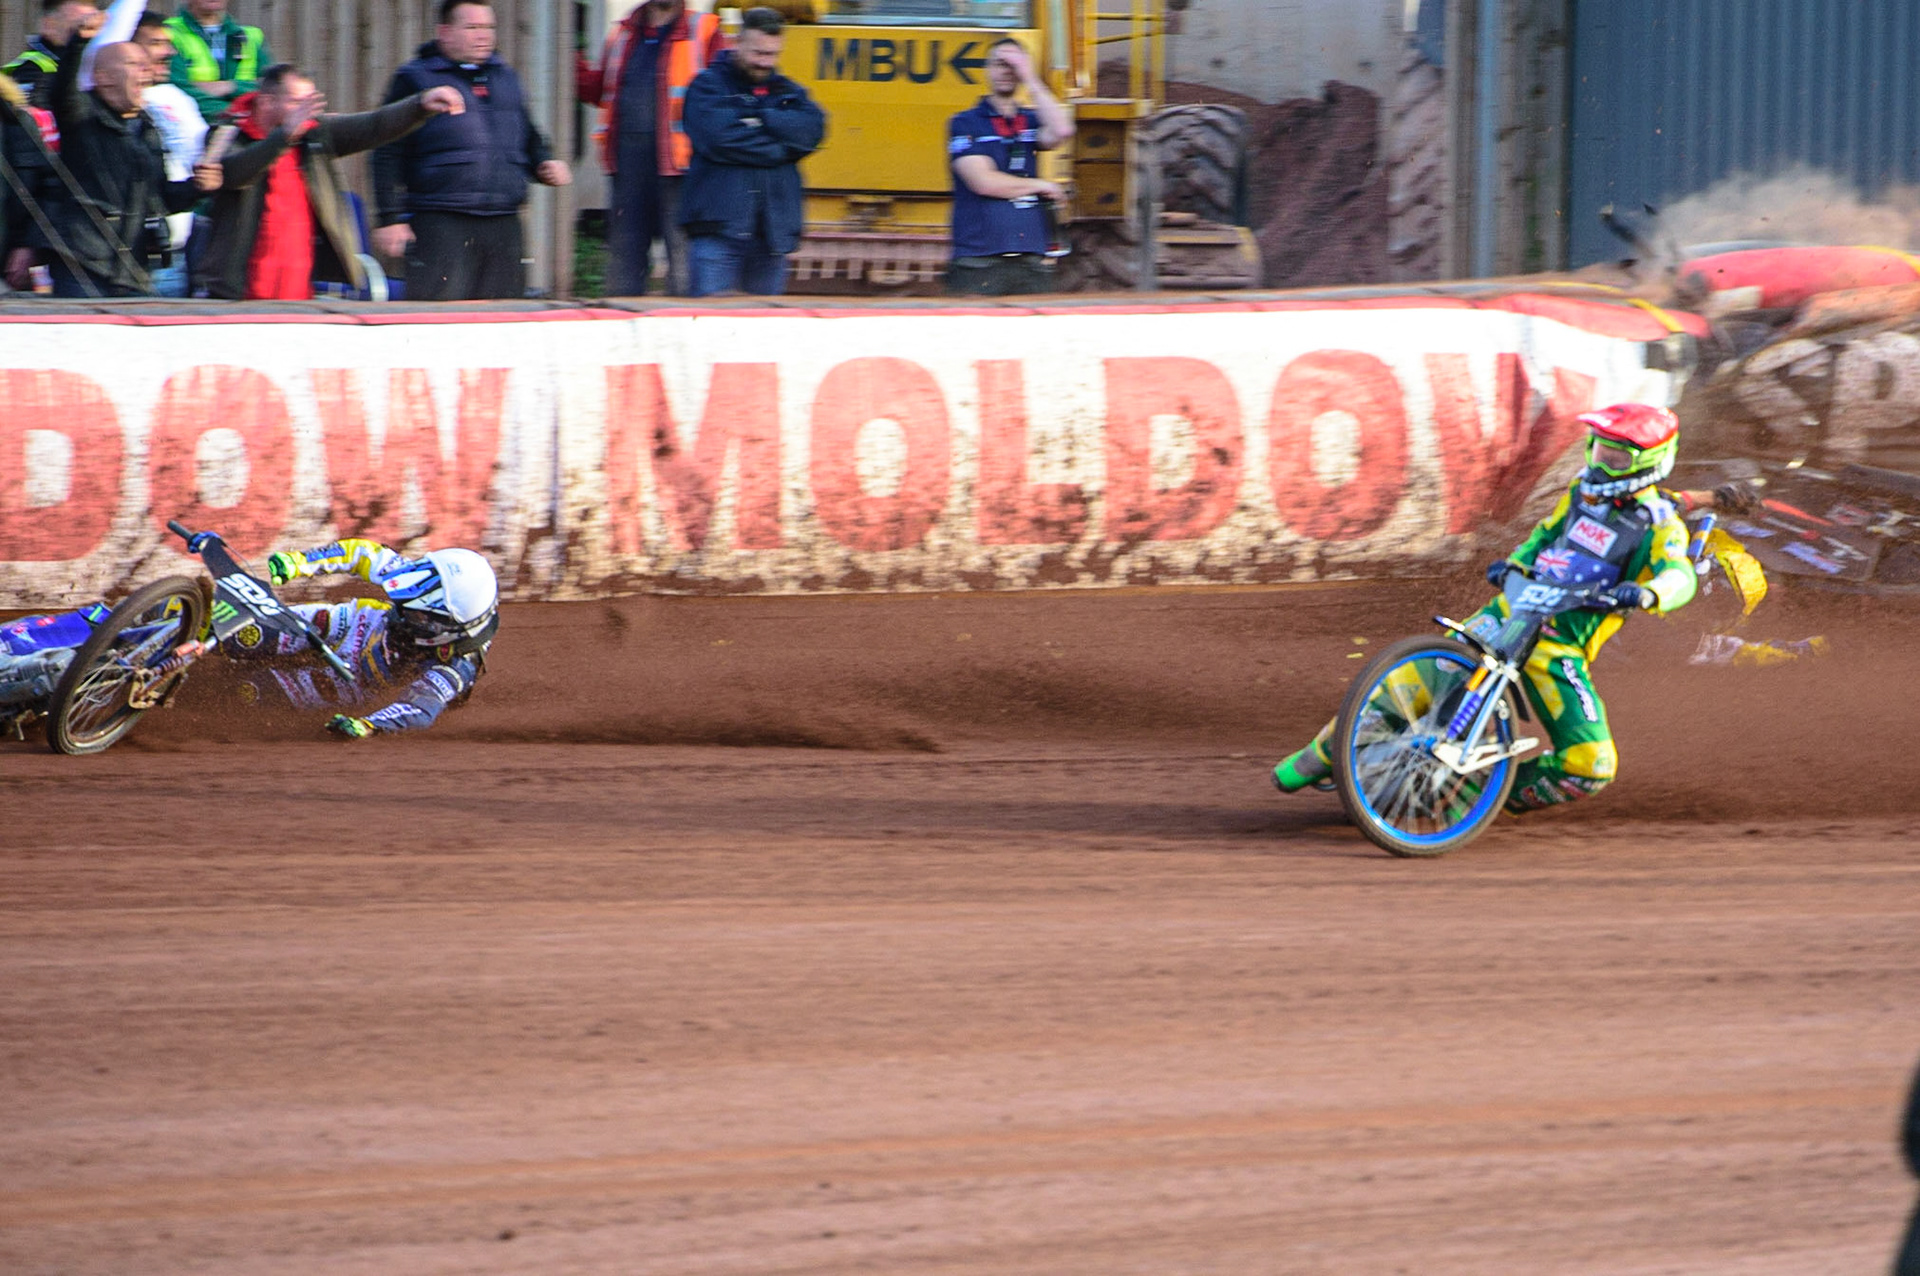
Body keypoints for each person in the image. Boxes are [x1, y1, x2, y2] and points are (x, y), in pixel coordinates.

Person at [1272, 403, 1699, 813]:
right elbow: (1545, 536)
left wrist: (1651, 593)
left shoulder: (1660, 524)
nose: (1601, 464)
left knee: (1592, 766)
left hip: (1557, 649)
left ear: (1650, 461)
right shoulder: (1581, 494)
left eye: (1616, 459)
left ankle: (1472, 798)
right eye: (1598, 450)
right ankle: (1312, 759)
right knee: (1410, 685)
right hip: (1509, 616)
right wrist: (1516, 562)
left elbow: (1680, 574)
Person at [196, 64, 463, 300]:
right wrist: (284, 136)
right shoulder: (227, 134)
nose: (305, 114)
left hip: (299, 296)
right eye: (296, 103)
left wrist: (420, 106)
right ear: (266, 102)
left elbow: (373, 125)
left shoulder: (312, 135)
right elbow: (233, 174)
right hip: (239, 297)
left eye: (309, 104)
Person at [371, 0, 570, 301]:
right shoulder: (415, 79)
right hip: (441, 222)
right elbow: (386, 150)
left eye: (489, 27)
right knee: (439, 321)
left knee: (504, 322)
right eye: (473, 27)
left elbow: (528, 135)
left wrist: (544, 161)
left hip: (503, 223)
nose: (484, 36)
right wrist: (390, 218)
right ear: (445, 32)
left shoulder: (506, 77)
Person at [239, 539, 500, 738]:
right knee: (247, 633)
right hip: (358, 624)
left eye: (418, 616)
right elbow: (361, 554)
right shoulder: (427, 580)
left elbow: (421, 708)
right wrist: (299, 562)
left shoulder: (458, 666)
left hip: (357, 683)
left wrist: (369, 724)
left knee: (248, 693)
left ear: (448, 629)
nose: (403, 614)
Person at [43, 34, 221, 296]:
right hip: (85, 266)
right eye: (133, 63)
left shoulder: (146, 128)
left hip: (134, 270)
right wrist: (78, 42)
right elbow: (62, 92)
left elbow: (161, 197)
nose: (146, 69)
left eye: (145, 64)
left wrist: (198, 187)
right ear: (103, 77)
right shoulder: (81, 116)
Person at [575, 0, 721, 296]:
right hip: (628, 170)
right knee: (624, 264)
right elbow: (598, 88)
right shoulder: (623, 33)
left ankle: (683, 332)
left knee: (683, 265)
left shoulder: (704, 30)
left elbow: (726, 92)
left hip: (682, 171)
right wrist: (568, 58)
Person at [678, 6, 823, 298]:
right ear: (737, 42)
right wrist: (781, 149)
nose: (765, 63)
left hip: (770, 235)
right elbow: (719, 140)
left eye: (772, 55)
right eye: (758, 53)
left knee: (766, 336)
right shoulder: (707, 87)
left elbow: (812, 132)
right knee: (708, 328)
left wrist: (760, 119)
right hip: (717, 231)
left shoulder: (788, 92)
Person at [945, 37, 1071, 297]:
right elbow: (983, 182)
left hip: (1030, 260)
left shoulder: (1030, 121)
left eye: (1013, 66)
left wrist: (1031, 78)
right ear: (988, 70)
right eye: (1000, 64)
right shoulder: (966, 123)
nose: (1006, 71)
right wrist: (1040, 186)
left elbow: (1062, 129)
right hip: (979, 260)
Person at [131, 10, 205, 296]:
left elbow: (199, 160)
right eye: (156, 43)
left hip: (178, 251)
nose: (169, 52)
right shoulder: (109, 102)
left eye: (168, 43)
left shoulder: (177, 98)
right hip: (133, 254)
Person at [163, 0, 267, 123]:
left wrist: (231, 86)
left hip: (248, 131)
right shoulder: (168, 33)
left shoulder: (251, 36)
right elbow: (177, 91)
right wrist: (237, 112)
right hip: (192, 129)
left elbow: (271, 89)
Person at [4, 0, 102, 101]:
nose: (88, 37)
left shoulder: (94, 68)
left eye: (93, 29)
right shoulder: (29, 71)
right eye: (80, 28)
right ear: (49, 25)